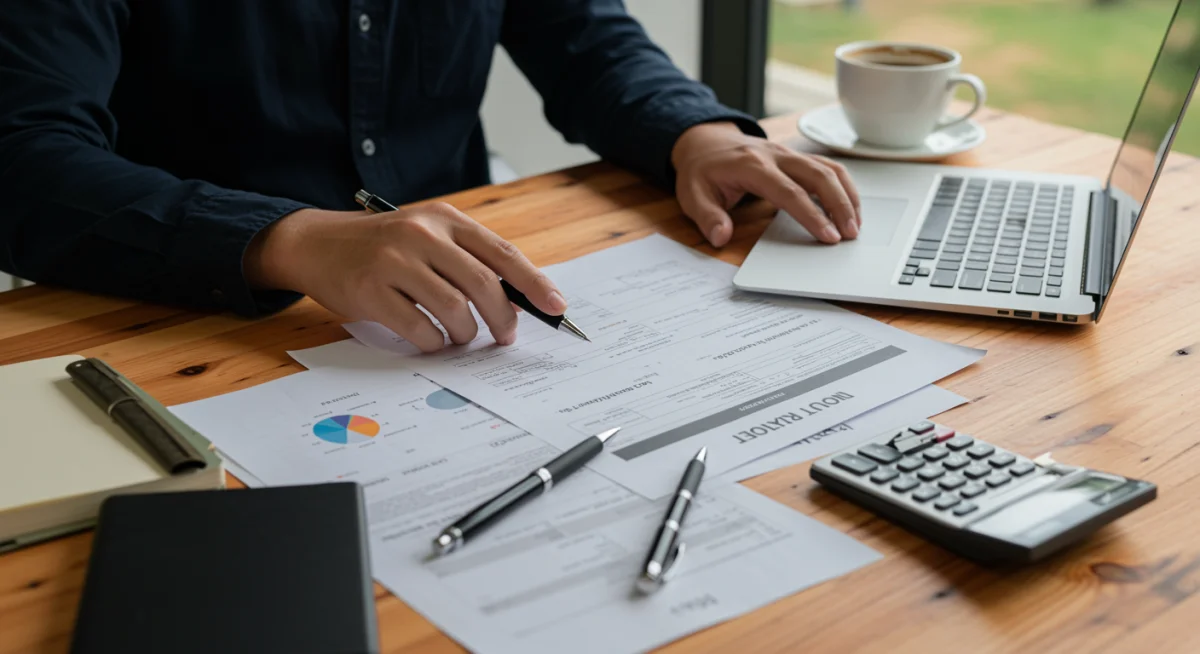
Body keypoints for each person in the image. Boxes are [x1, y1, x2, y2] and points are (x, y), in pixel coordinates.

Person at [0, 1, 860, 352]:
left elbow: (588, 40)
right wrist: (287, 239)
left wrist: (694, 131)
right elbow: (20, 155)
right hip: (180, 320)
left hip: (454, 311)